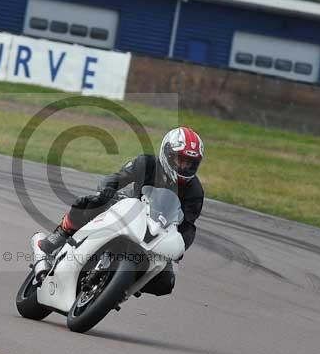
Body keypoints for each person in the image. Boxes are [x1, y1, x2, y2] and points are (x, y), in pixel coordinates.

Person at [37, 127, 205, 296]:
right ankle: (62, 233)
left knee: (166, 282)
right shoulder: (146, 163)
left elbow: (188, 225)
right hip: (130, 207)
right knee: (92, 202)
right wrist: (107, 190)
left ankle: (125, 283)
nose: (184, 166)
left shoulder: (195, 191)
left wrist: (179, 247)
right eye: (180, 159)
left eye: (189, 163)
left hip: (158, 229)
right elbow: (116, 178)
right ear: (167, 153)